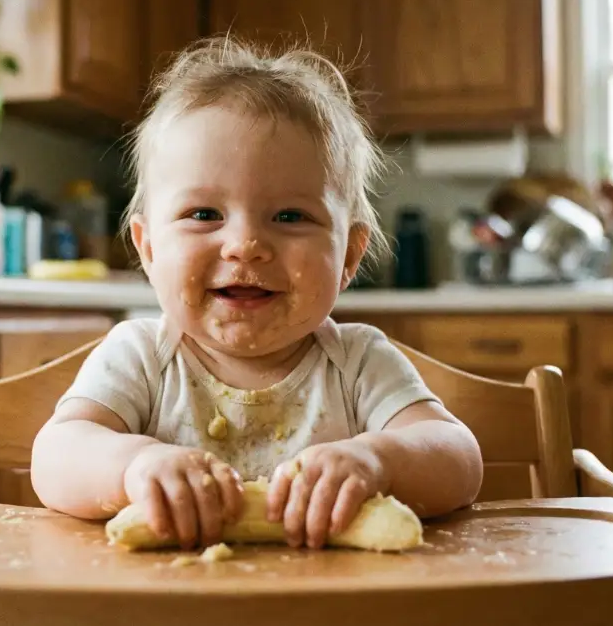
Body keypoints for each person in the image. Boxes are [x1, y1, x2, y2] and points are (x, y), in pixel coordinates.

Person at [31, 36, 483, 550]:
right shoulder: (141, 358)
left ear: (349, 256)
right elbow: (56, 454)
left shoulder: (358, 364)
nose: (245, 245)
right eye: (204, 214)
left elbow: (458, 458)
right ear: (149, 248)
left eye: (290, 216)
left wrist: (376, 460)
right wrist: (134, 465)